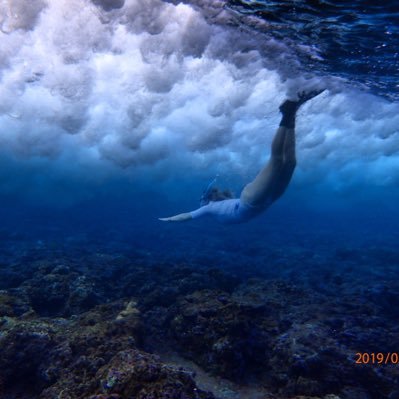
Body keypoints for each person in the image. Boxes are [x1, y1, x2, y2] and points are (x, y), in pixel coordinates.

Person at [159, 89, 324, 224]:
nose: (217, 193)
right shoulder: (214, 206)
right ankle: (292, 113)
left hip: (250, 202)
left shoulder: (208, 207)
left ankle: (286, 114)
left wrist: (169, 219)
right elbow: (191, 213)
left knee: (277, 162)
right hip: (267, 200)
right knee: (290, 163)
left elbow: (187, 215)